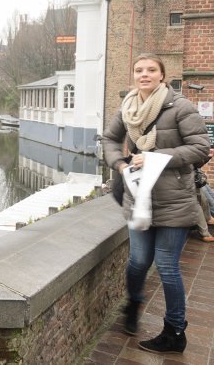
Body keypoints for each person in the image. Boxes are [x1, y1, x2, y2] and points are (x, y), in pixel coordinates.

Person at [102, 53, 209, 355]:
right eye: (139, 70)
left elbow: (201, 148)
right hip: (139, 197)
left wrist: (156, 157)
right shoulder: (127, 107)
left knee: (166, 266)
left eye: (151, 70)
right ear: (133, 76)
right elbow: (110, 140)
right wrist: (121, 165)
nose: (144, 74)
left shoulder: (180, 107)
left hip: (174, 200)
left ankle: (175, 331)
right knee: (137, 262)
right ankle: (133, 303)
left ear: (162, 75)